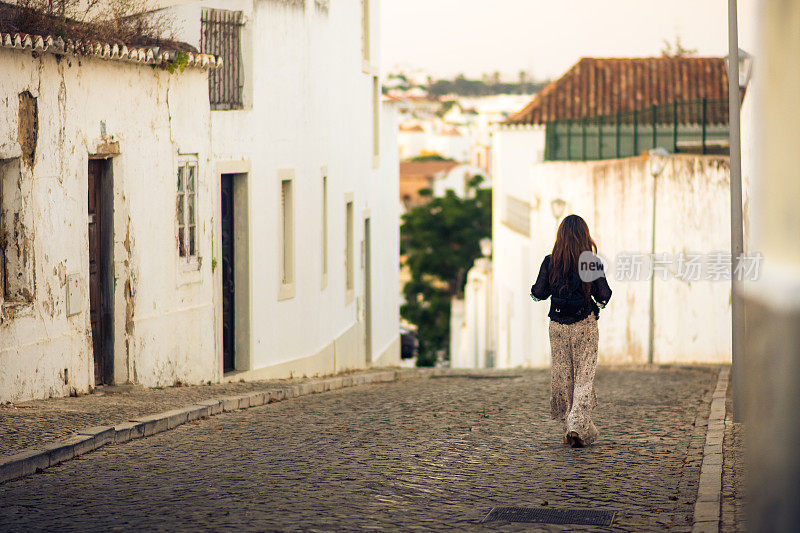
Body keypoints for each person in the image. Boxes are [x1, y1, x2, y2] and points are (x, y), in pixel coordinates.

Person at [530, 214, 612, 448]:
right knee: (584, 378)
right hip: (584, 324)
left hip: (557, 326)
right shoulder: (590, 261)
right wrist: (596, 304)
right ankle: (576, 424)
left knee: (564, 378)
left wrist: (538, 290)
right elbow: (604, 294)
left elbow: (539, 293)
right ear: (584, 235)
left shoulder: (550, 261)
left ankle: (575, 428)